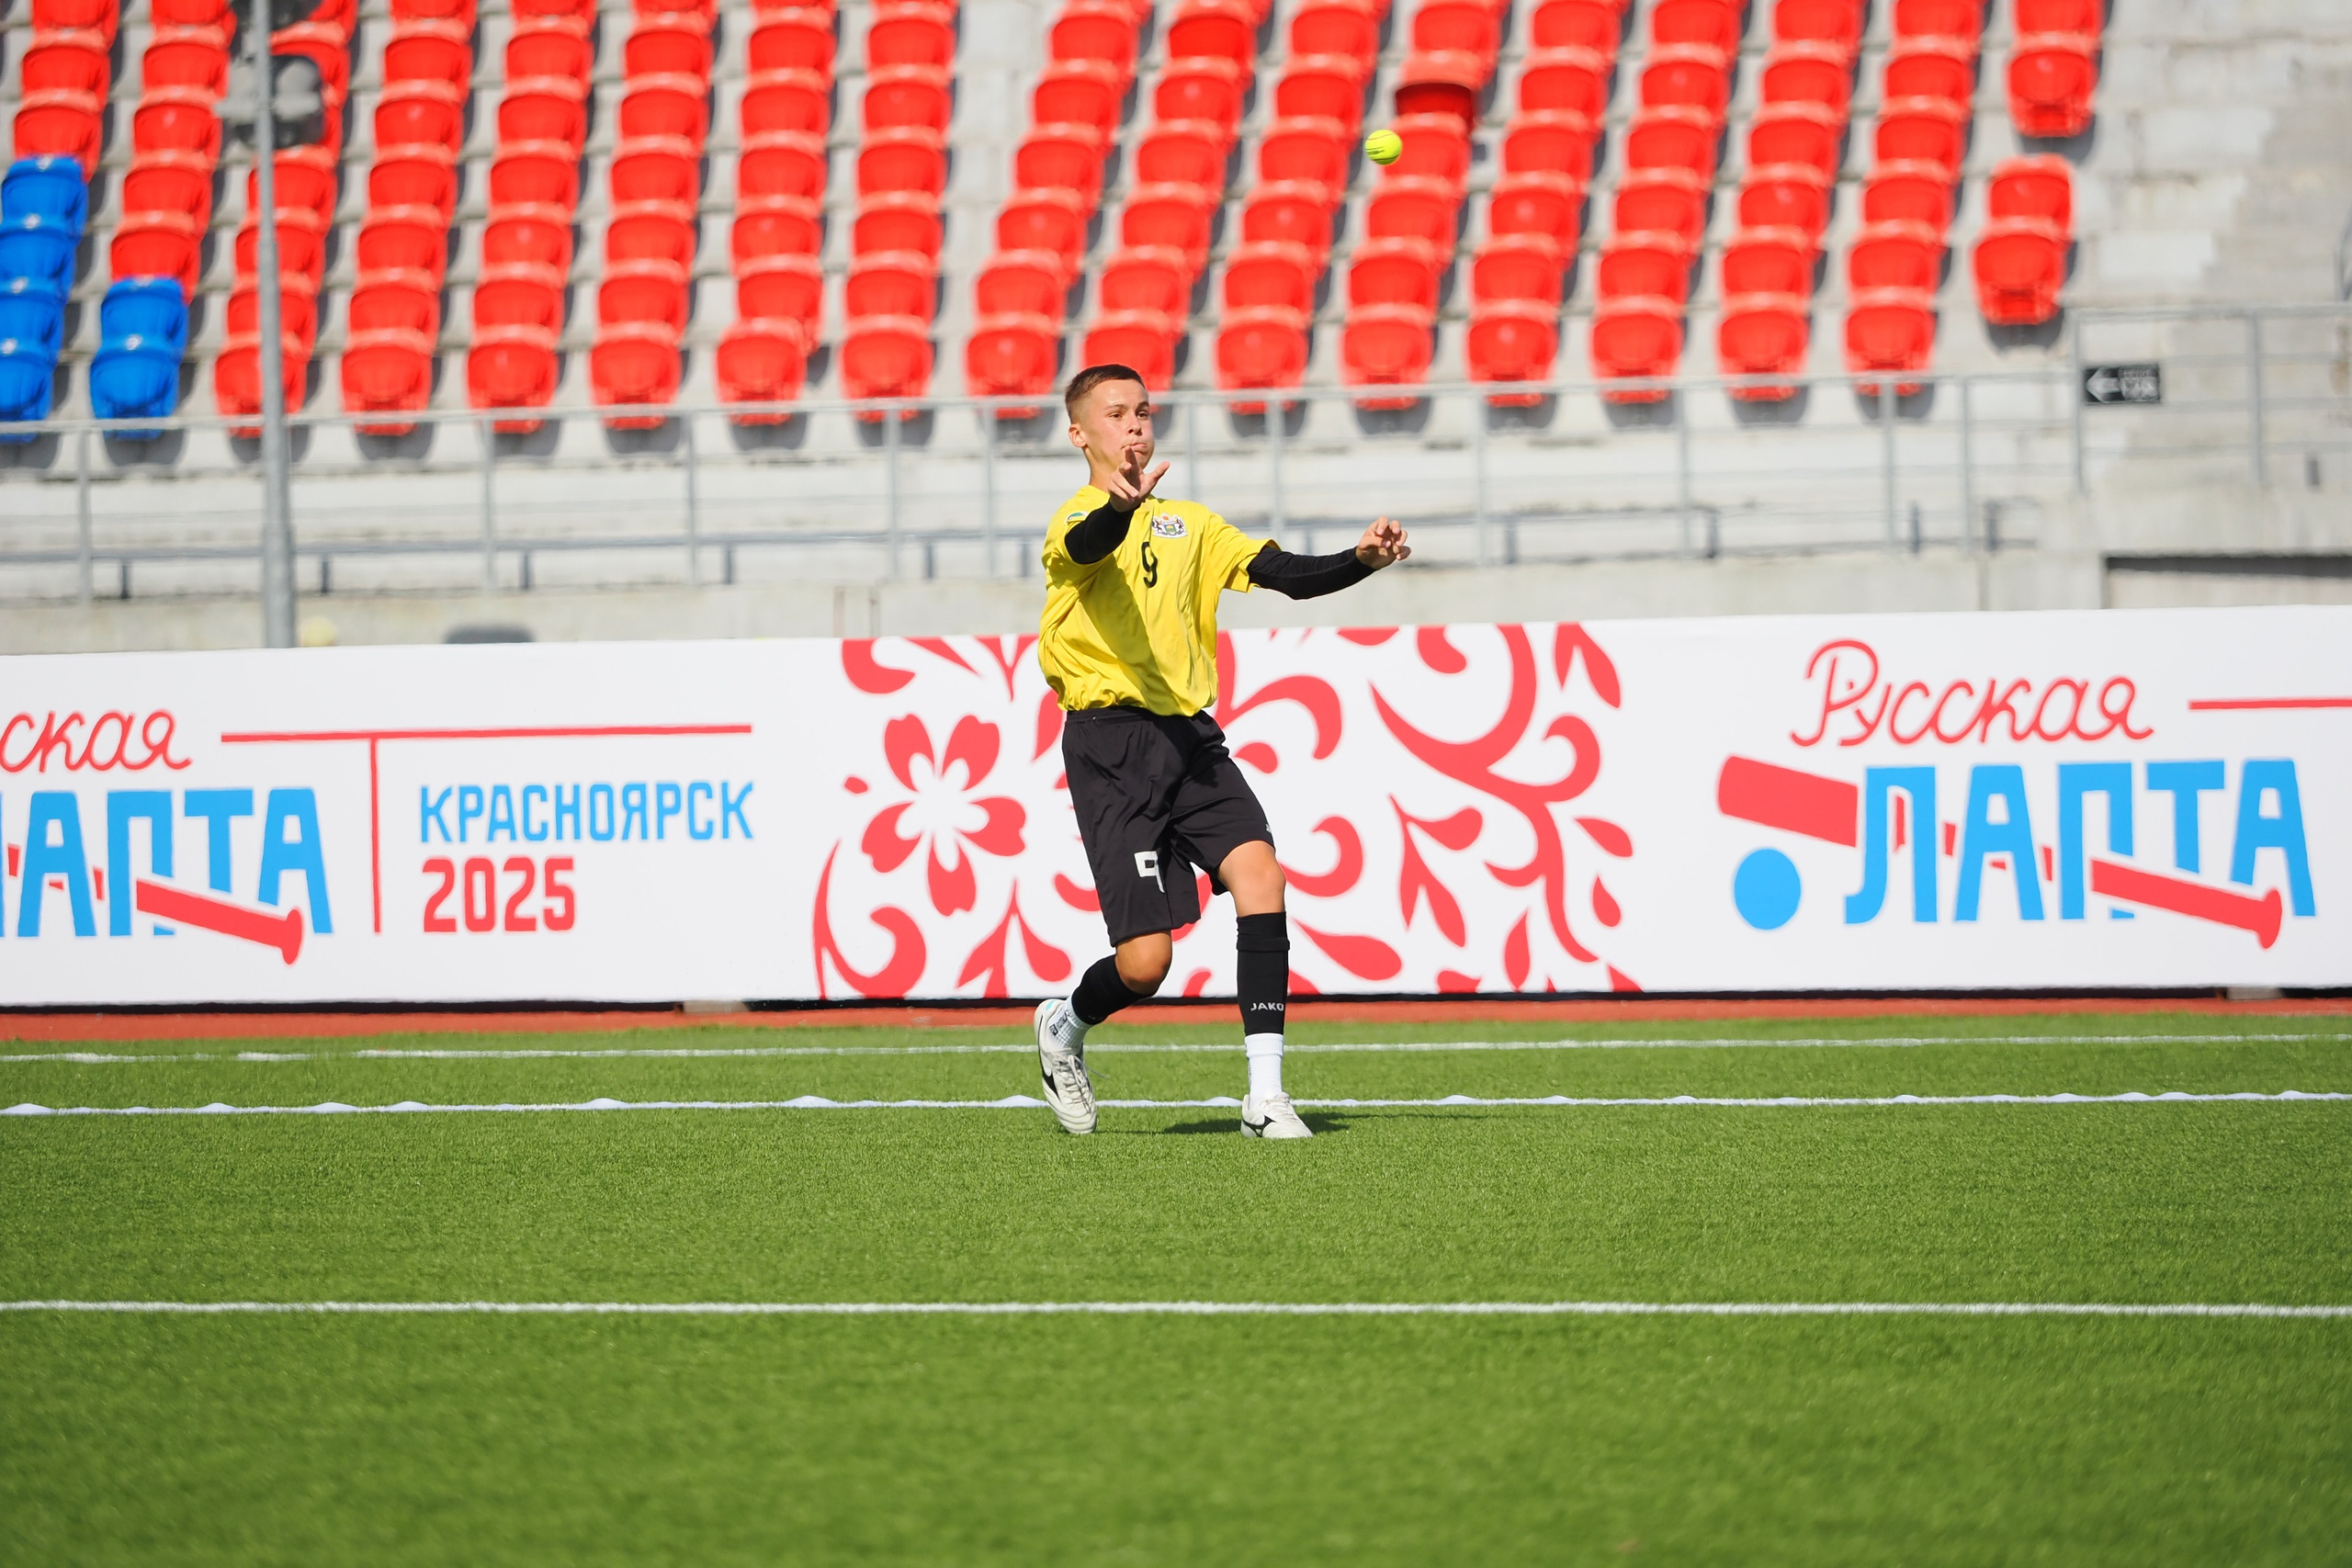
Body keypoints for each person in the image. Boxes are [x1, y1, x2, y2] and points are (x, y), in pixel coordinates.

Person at [1032, 364, 1410, 1138]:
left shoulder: (1192, 525)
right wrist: (1118, 507)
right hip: (1111, 746)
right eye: (1116, 414)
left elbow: (1285, 576)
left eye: (1143, 411)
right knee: (1145, 965)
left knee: (1261, 873)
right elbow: (1090, 542)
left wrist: (1358, 560)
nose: (1136, 425)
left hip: (1190, 738)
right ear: (1080, 434)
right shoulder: (1073, 520)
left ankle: (1264, 1096)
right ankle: (1065, 1024)